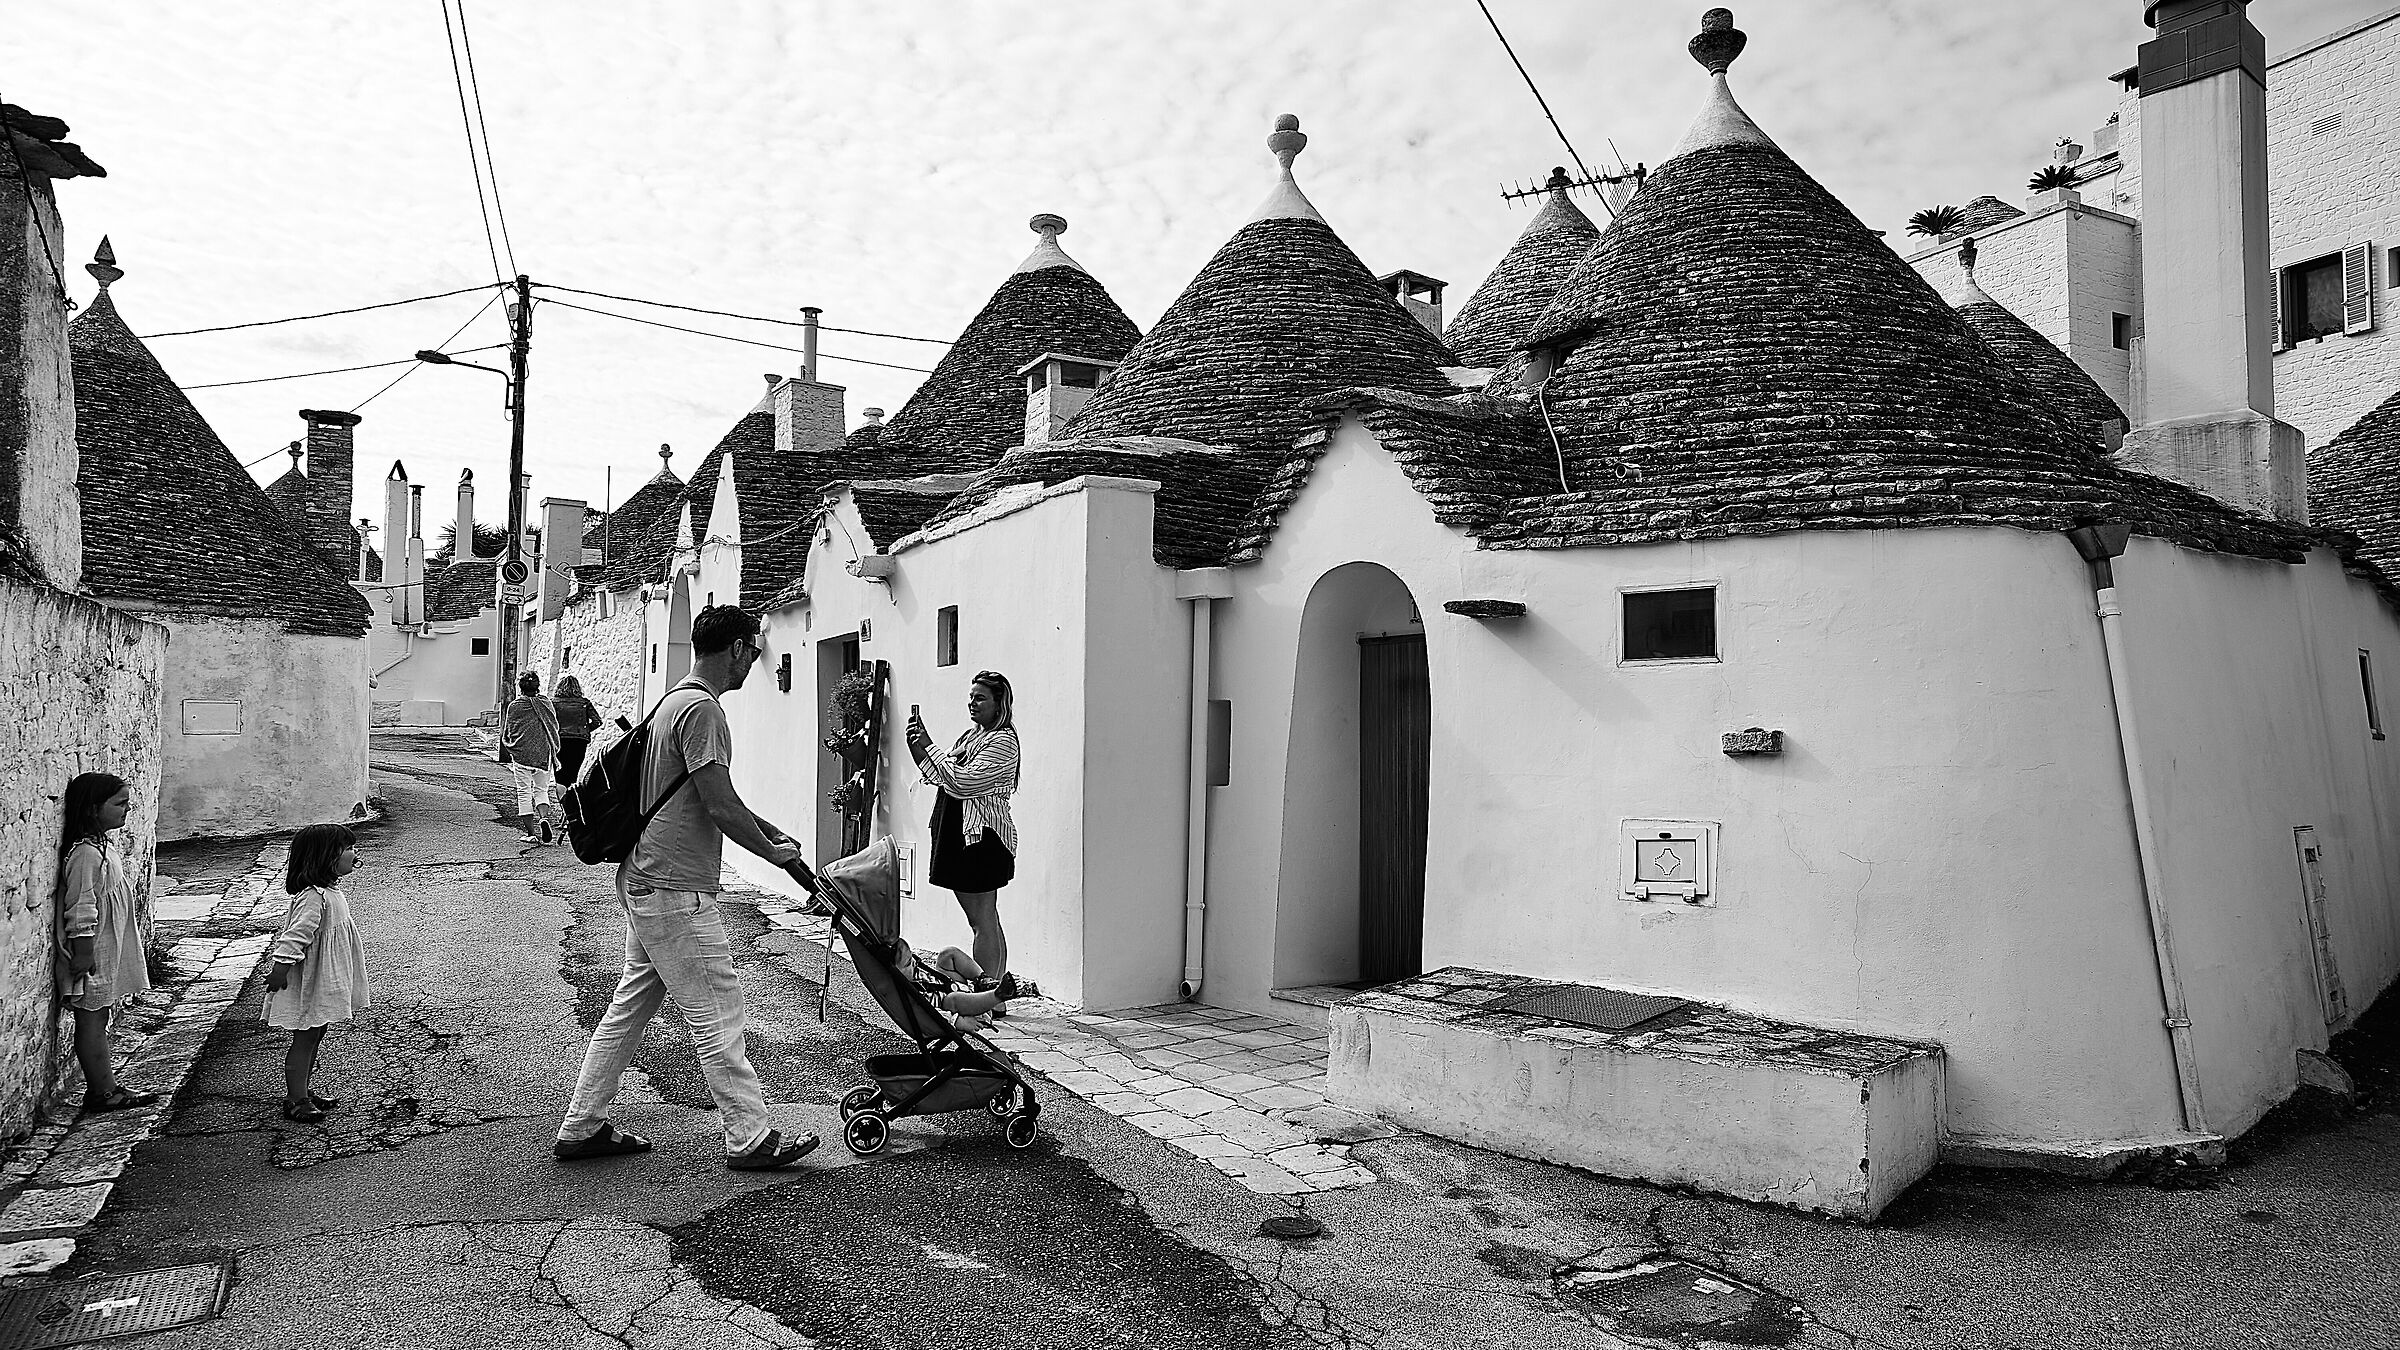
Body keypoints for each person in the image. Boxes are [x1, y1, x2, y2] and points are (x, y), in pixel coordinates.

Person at [555, 605, 817, 1170]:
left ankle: (582, 1124)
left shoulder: (673, 701)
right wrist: (771, 853)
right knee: (718, 1010)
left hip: (646, 875)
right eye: (754, 650)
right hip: (674, 885)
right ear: (738, 648)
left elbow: (707, 796)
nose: (755, 661)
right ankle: (750, 1136)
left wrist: (770, 831)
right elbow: (719, 805)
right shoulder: (703, 711)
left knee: (630, 1006)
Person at [905, 669, 1022, 997]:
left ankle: (988, 998)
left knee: (981, 921)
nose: (972, 703)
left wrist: (929, 744)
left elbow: (963, 782)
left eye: (980, 698)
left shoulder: (1002, 740)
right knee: (986, 919)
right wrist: (917, 747)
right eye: (971, 697)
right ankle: (995, 996)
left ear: (999, 703)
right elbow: (940, 775)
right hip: (961, 834)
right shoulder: (971, 736)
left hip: (980, 838)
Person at [54, 773, 159, 1115]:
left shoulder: (101, 846)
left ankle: (107, 1085)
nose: (127, 809)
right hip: (94, 949)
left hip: (106, 945)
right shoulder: (86, 854)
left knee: (99, 1016)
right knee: (92, 1019)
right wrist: (83, 953)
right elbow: (81, 906)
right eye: (119, 803)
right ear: (93, 809)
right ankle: (102, 1091)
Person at [263, 823, 373, 1124]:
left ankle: (303, 1090)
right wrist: (279, 971)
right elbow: (294, 937)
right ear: (325, 856)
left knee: (316, 1033)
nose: (354, 853)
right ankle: (296, 1099)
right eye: (347, 848)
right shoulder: (314, 897)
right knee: (306, 1037)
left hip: (325, 975)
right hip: (311, 979)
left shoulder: (330, 891)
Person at [502, 671, 563, 844]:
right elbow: (553, 726)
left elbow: (510, 729)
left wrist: (511, 745)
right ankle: (543, 818)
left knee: (524, 792)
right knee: (541, 790)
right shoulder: (545, 703)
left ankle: (531, 833)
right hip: (542, 754)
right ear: (537, 686)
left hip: (522, 755)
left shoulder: (515, 706)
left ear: (520, 687)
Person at [552, 675, 604, 787]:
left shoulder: (554, 703)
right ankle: (569, 794)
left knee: (560, 773)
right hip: (579, 741)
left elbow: (549, 722)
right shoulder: (584, 703)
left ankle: (561, 794)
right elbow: (597, 721)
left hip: (560, 740)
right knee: (572, 771)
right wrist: (585, 730)